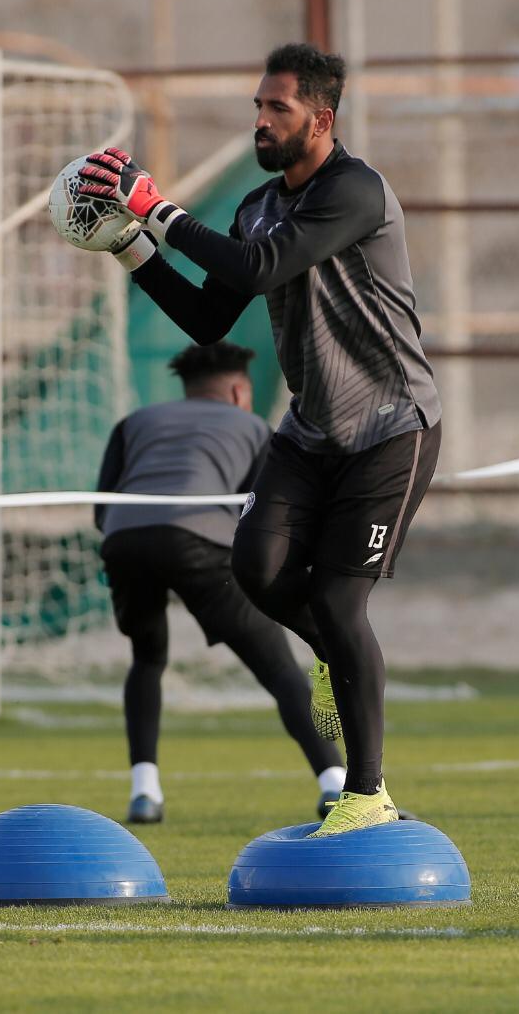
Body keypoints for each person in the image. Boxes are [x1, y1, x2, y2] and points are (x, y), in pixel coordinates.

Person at [79, 42, 441, 835]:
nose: (262, 120)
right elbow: (214, 313)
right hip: (310, 432)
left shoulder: (357, 192)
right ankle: (335, 658)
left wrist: (156, 208)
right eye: (258, 106)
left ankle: (367, 791)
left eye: (278, 108)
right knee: (254, 566)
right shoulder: (255, 205)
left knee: (343, 605)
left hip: (389, 429)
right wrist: (134, 249)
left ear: (322, 118)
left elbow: (256, 269)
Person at [95, 342, 345, 825]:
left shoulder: (135, 423)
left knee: (147, 659)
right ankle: (335, 783)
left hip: (124, 541)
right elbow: (261, 516)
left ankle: (145, 792)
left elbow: (101, 507)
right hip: (200, 542)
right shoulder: (254, 428)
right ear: (237, 391)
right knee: (280, 671)